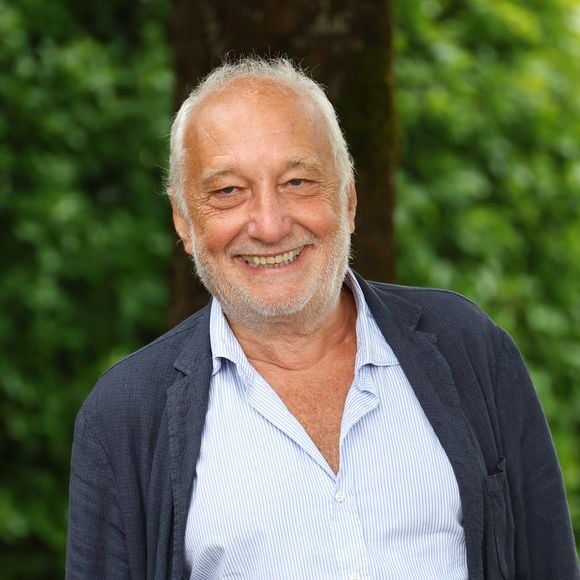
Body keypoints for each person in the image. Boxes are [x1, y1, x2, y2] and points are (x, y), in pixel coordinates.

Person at [66, 58, 579, 580]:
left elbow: (549, 560)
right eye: (227, 192)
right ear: (184, 221)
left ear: (349, 198)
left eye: (297, 181)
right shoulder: (127, 414)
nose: (268, 225)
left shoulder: (468, 348)